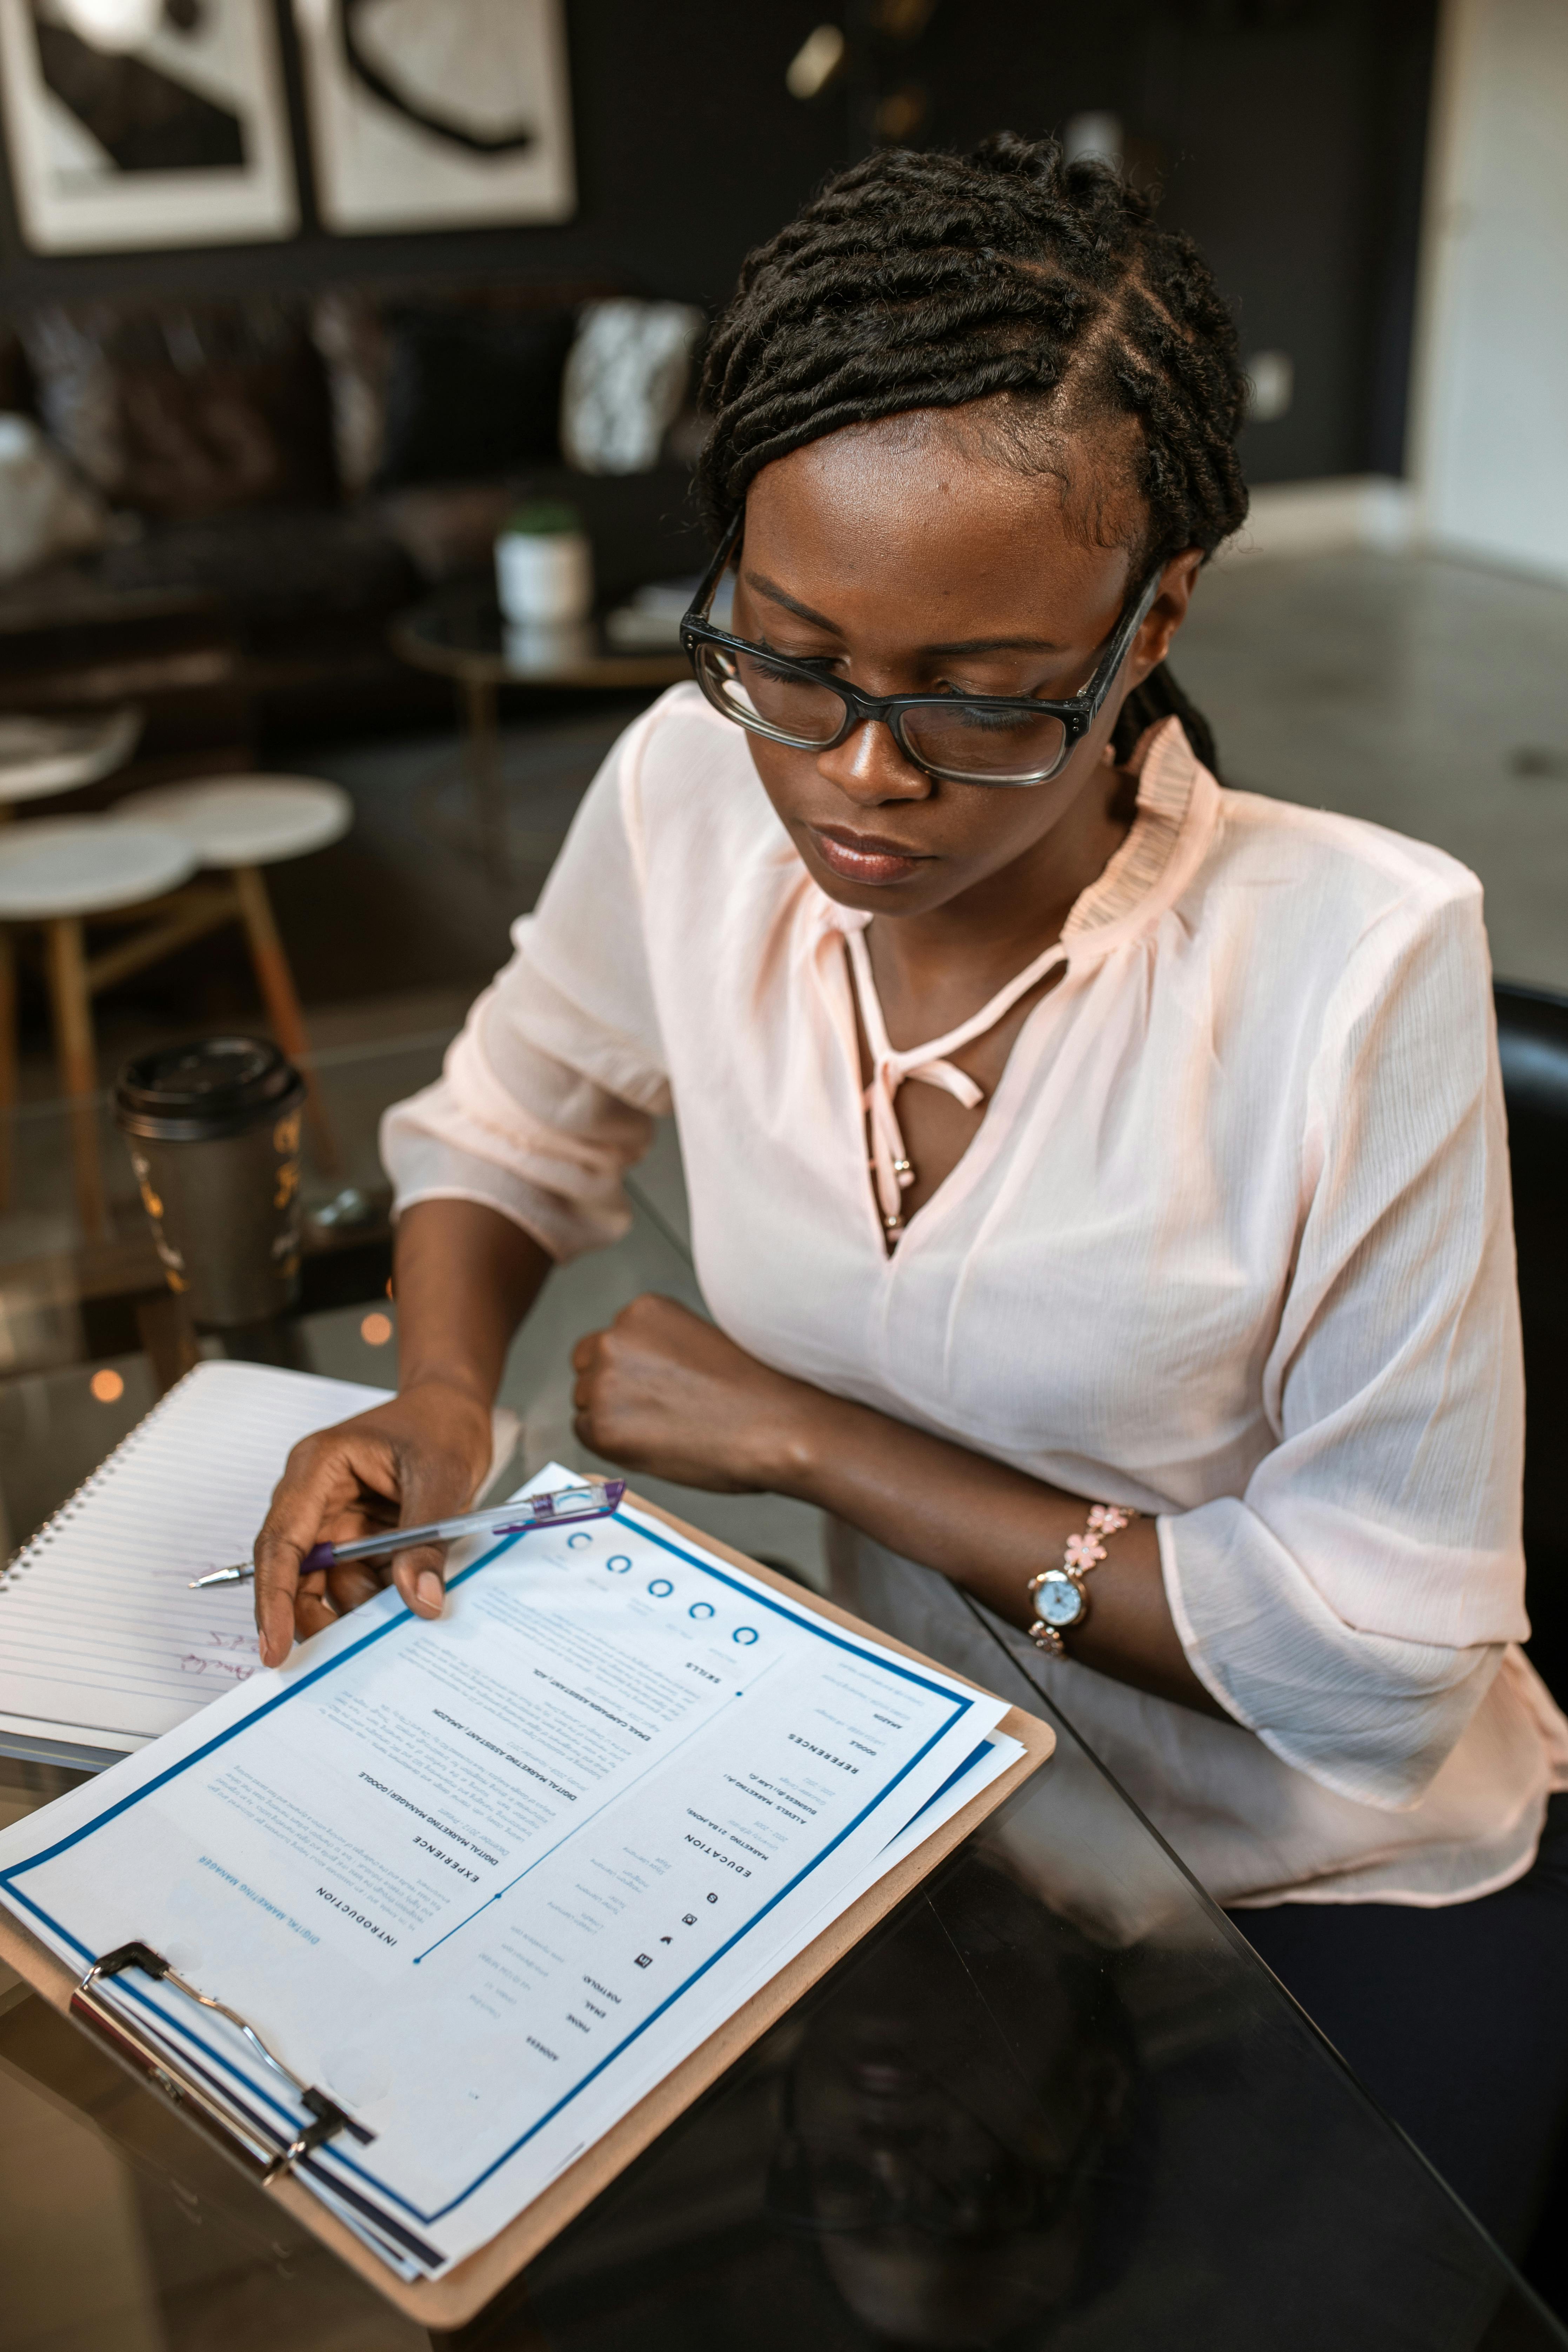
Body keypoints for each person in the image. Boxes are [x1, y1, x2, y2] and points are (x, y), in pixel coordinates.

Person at [254, 135, 1568, 2248]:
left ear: (1151, 622)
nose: (856, 778)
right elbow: (515, 1111)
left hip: (1314, 1887)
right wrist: (433, 1393)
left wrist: (806, 1445)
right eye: (791, 656)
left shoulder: (1351, 966)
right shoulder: (693, 789)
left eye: (976, 695)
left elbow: (1376, 1672)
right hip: (922, 1821)